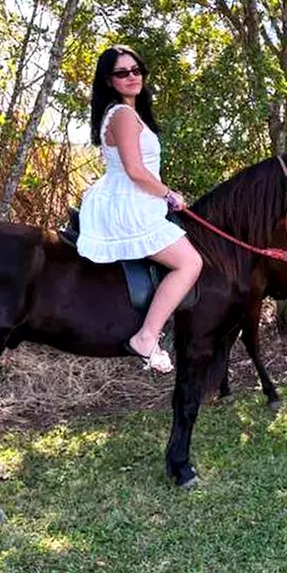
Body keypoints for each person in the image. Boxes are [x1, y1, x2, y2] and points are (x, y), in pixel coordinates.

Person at [77, 45, 203, 374]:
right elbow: (134, 170)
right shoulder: (122, 115)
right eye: (122, 72)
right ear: (108, 80)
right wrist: (169, 194)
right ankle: (146, 337)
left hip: (133, 196)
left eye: (136, 70)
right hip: (130, 201)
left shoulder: (128, 113)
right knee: (189, 262)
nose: (132, 76)